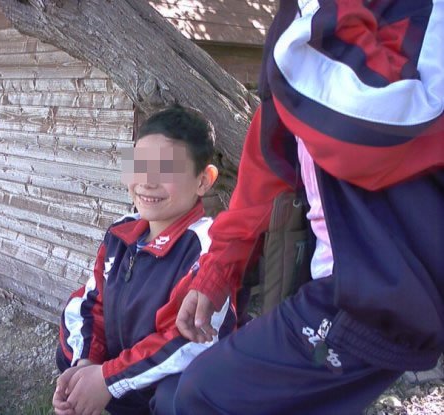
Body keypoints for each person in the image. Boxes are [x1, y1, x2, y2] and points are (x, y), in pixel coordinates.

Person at [173, 0, 444, 414]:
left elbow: (361, 131)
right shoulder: (313, 28)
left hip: (377, 289)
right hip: (346, 280)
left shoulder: (417, 15)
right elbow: (268, 162)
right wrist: (219, 269)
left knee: (204, 394)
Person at [52, 105, 236, 415]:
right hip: (127, 378)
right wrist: (86, 364)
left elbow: (189, 341)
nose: (147, 181)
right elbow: (90, 302)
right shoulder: (120, 233)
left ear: (204, 180)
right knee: (71, 352)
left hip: (165, 386)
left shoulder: (210, 248)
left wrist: (107, 379)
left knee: (175, 395)